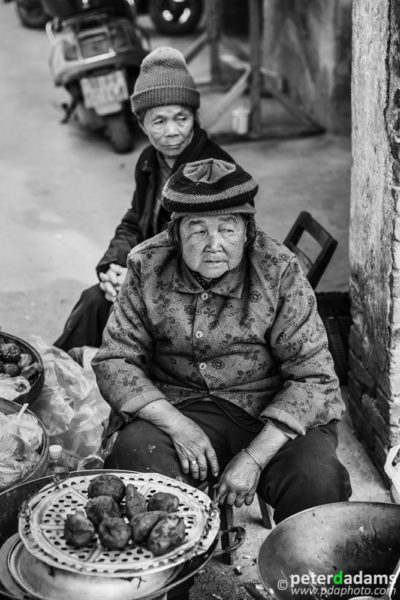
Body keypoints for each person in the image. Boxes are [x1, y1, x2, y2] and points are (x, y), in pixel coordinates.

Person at [92, 158, 352, 525]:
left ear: (247, 231)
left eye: (227, 230)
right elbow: (115, 359)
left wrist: (255, 457)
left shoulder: (278, 270)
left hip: (267, 406)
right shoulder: (145, 265)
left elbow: (315, 377)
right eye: (197, 231)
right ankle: (170, 577)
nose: (213, 245)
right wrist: (175, 424)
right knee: (138, 461)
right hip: (178, 401)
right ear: (175, 233)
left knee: (318, 478)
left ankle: (302, 579)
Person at [54, 46, 234, 352]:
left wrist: (137, 280)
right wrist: (113, 266)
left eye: (181, 118)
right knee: (94, 301)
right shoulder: (149, 161)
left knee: (119, 317)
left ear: (194, 118)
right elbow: (134, 221)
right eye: (159, 121)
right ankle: (51, 381)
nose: (172, 132)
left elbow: (212, 259)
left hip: (203, 297)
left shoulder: (215, 173)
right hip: (155, 280)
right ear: (141, 124)